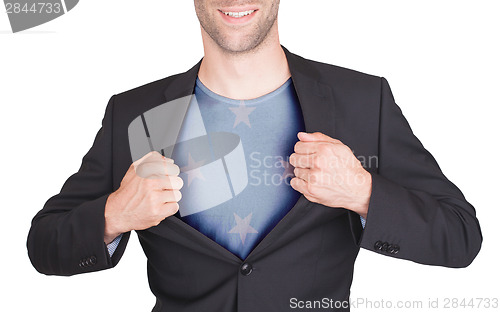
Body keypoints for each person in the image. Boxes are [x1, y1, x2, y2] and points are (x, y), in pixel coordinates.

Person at [27, 1, 482, 311]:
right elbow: (44, 245)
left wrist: (363, 192)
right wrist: (114, 214)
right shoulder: (136, 113)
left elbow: (460, 236)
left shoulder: (362, 100)